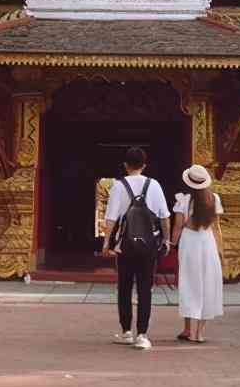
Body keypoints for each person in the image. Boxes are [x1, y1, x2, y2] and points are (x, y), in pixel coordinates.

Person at [101, 146, 171, 350]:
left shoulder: (118, 186)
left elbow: (111, 218)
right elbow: (165, 217)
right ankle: (142, 335)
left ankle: (126, 332)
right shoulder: (154, 185)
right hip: (148, 245)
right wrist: (166, 240)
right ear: (144, 165)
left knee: (124, 287)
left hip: (125, 245)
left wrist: (106, 242)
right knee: (145, 289)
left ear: (125, 165)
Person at [171, 164, 225, 343]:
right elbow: (216, 228)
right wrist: (221, 250)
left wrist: (171, 244)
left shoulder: (184, 200)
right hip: (208, 242)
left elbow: (178, 227)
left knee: (189, 284)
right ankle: (198, 333)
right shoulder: (214, 199)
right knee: (207, 284)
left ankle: (189, 330)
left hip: (189, 242)